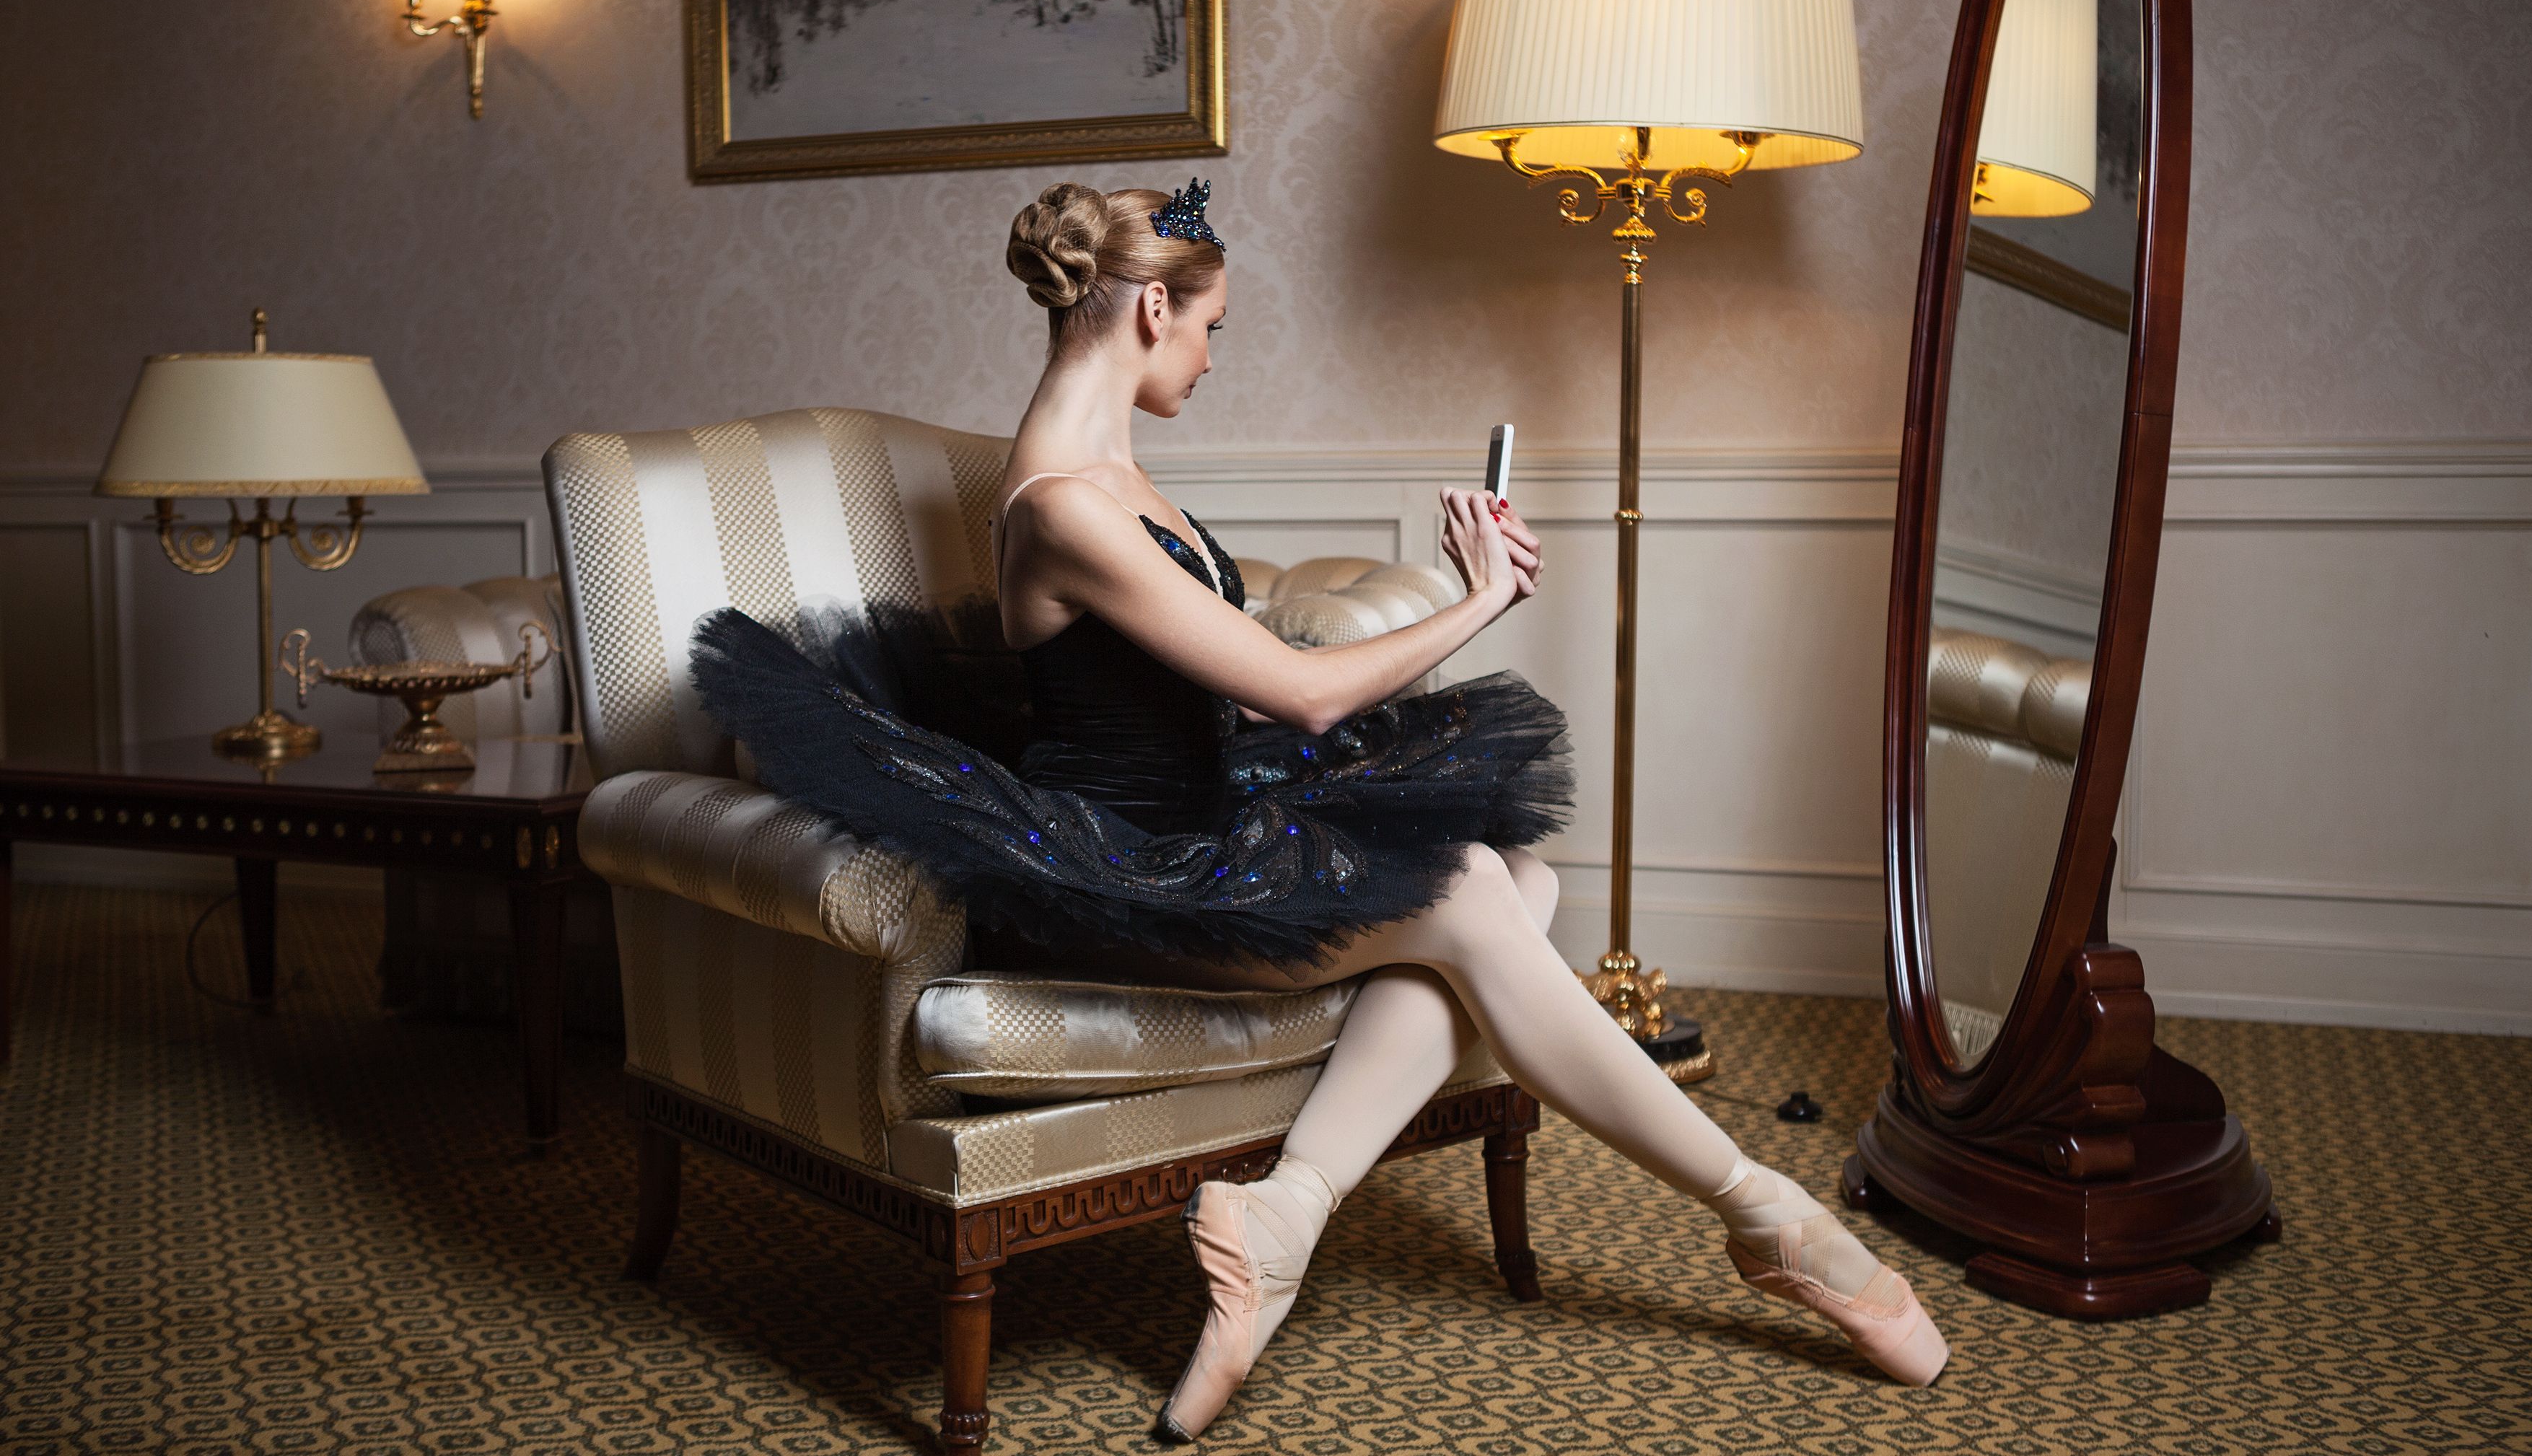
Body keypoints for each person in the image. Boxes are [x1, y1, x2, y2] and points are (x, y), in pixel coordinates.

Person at [690, 178, 1948, 1445]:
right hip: (1116, 873)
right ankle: (1766, 1213)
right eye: (1211, 327)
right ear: (1151, 310)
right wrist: (1477, 600)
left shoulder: (1116, 474)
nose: (1212, 356)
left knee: (1525, 882)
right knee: (1474, 890)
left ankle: (1284, 1215)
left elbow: (1237, 690)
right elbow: (1295, 694)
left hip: (1204, 822)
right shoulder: (1061, 502)